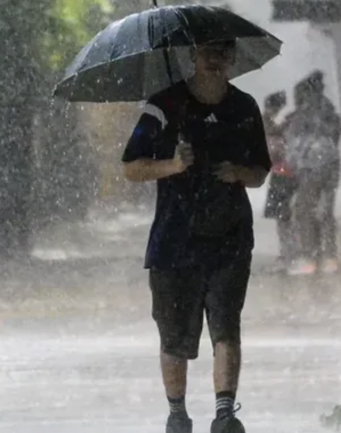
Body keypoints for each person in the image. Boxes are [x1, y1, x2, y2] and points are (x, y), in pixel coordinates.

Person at [121, 39, 272, 433]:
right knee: (173, 336)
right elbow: (131, 167)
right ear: (192, 55)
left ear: (233, 57)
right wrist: (172, 164)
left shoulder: (244, 108)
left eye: (222, 50)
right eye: (207, 50)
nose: (214, 58)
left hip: (230, 238)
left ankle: (225, 415)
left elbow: (259, 172)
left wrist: (238, 173)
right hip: (174, 241)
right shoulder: (164, 106)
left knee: (226, 325)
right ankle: (177, 414)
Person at [283, 71, 341, 275]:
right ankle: (330, 256)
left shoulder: (303, 114)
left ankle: (311, 257)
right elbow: (335, 135)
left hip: (311, 166)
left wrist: (292, 164)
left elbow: (295, 143)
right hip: (331, 164)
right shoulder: (330, 111)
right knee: (326, 210)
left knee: (304, 211)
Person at [261, 91, 297, 270]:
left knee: (284, 217)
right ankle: (288, 253)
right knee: (284, 217)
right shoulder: (269, 124)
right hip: (283, 173)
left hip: (283, 174)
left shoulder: (271, 124)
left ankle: (288, 254)